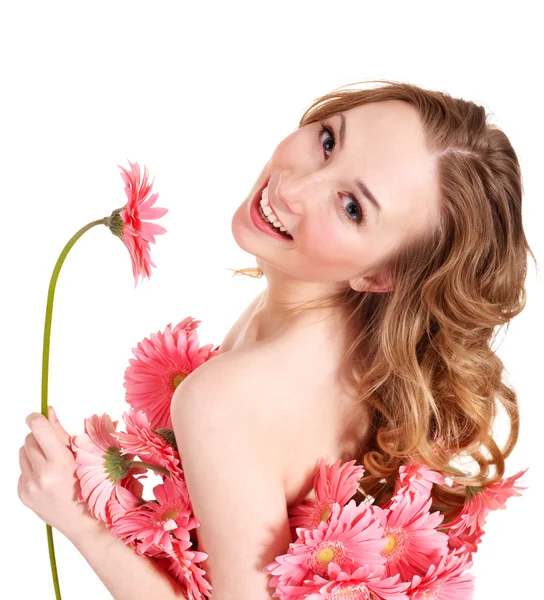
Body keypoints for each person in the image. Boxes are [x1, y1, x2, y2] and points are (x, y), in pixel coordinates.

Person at [18, 80, 537, 599]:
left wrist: (80, 518)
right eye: (329, 141)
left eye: (352, 207)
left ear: (382, 276)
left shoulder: (226, 399)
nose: (292, 188)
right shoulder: (358, 348)